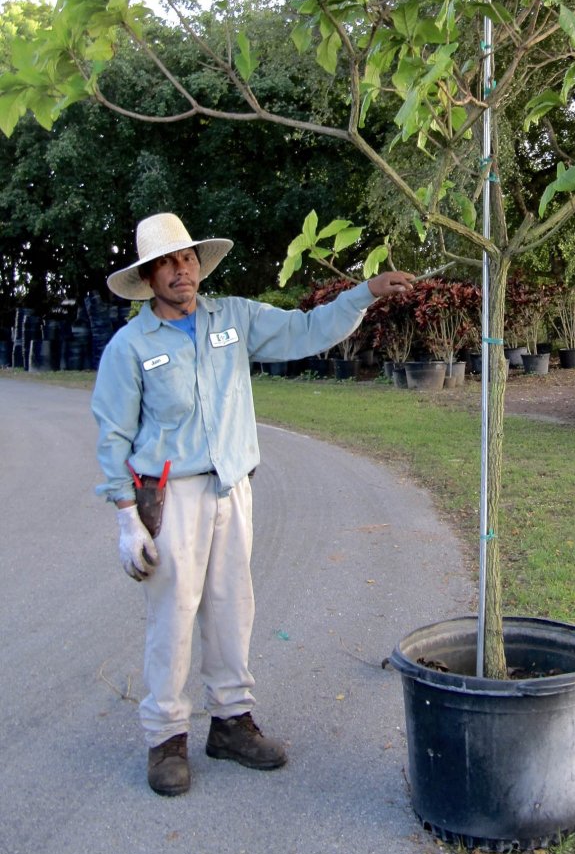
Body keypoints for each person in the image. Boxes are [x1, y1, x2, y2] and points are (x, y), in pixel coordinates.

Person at [91, 212, 414, 797]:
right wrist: (124, 515)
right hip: (169, 498)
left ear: (198, 265)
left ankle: (230, 723)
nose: (180, 270)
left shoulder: (233, 317)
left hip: (231, 488)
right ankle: (166, 738)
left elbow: (305, 330)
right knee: (172, 618)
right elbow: (113, 434)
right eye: (167, 263)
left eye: (187, 258)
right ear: (149, 276)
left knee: (232, 606)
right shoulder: (130, 347)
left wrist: (363, 292)